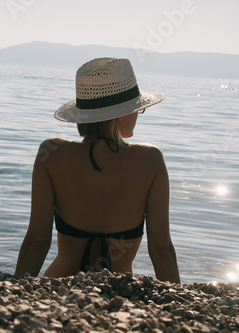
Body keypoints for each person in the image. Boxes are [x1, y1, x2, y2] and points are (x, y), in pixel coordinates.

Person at [15, 57, 180, 283]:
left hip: (59, 286)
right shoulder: (150, 160)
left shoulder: (52, 154)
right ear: (121, 112)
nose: (138, 115)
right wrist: (174, 300)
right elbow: (161, 251)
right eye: (137, 109)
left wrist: (18, 290)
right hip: (120, 291)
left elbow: (37, 241)